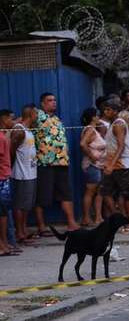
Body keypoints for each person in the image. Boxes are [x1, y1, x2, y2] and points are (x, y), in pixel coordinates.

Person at [34, 93, 79, 232]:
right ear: (42, 103)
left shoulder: (57, 119)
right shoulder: (37, 115)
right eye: (49, 100)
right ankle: (41, 226)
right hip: (45, 164)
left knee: (66, 194)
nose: (53, 102)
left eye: (54, 100)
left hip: (61, 163)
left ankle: (71, 223)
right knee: (42, 196)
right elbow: (22, 121)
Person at [100, 98, 129, 230]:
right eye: (105, 109)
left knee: (126, 195)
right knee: (106, 192)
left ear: (115, 111)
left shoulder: (118, 124)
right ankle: (120, 220)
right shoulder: (112, 124)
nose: (106, 112)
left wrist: (111, 164)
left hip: (123, 165)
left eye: (108, 109)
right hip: (114, 165)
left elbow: (121, 146)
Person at [10, 104, 37, 246]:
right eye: (36, 113)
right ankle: (19, 233)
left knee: (26, 205)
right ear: (31, 114)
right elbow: (11, 150)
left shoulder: (27, 130)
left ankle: (24, 230)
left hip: (31, 173)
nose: (37, 116)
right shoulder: (19, 130)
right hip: (22, 174)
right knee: (20, 205)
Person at [80, 108, 106, 227]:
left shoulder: (95, 130)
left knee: (99, 192)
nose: (99, 117)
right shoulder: (90, 129)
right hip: (92, 165)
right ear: (93, 117)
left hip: (98, 165)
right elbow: (83, 144)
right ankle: (86, 218)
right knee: (90, 192)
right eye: (97, 115)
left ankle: (98, 217)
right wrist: (91, 156)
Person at [0, 110, 19, 256]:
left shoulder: (3, 136)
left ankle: (5, 242)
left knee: (4, 212)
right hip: (1, 179)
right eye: (12, 119)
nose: (14, 122)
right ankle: (2, 245)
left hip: (4, 178)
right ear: (4, 119)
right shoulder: (1, 138)